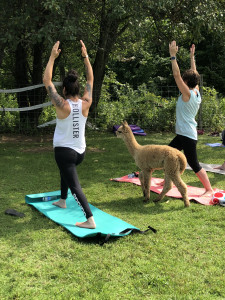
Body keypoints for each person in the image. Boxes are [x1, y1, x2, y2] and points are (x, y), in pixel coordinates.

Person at [43, 40, 96, 229]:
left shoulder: (62, 105)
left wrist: (52, 57)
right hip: (80, 153)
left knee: (75, 185)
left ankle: (90, 220)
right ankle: (63, 200)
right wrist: (86, 57)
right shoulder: (86, 102)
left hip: (65, 153)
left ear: (64, 90)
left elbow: (47, 81)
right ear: (78, 89)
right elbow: (90, 80)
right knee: (64, 171)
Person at [167, 41, 213, 196]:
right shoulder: (196, 91)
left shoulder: (187, 95)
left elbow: (176, 75)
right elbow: (194, 73)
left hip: (187, 135)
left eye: (184, 82)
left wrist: (173, 56)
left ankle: (209, 189)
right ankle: (168, 180)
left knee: (193, 163)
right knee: (168, 154)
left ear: (186, 83)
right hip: (183, 133)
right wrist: (192, 57)